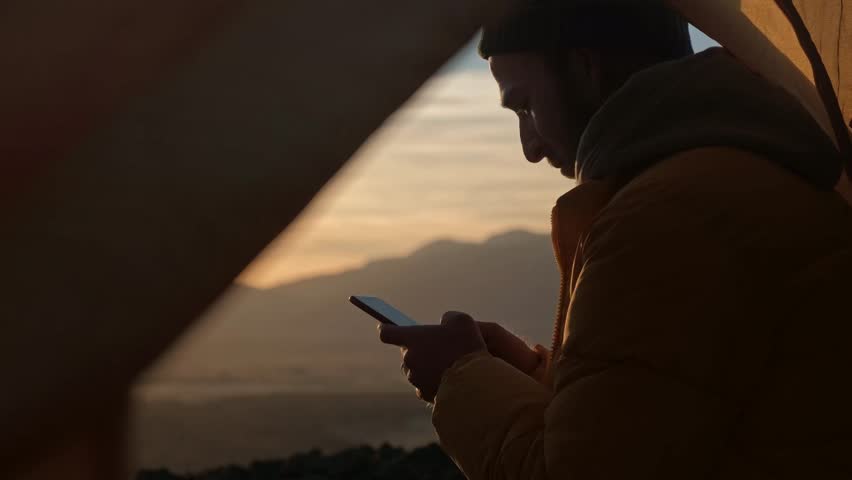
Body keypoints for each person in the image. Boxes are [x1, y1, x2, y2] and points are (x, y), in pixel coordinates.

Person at [378, 0, 852, 478]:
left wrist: (461, 379)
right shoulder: (741, 175)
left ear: (585, 68)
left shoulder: (666, 219)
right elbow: (658, 411)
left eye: (525, 106)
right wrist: (528, 376)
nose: (530, 148)